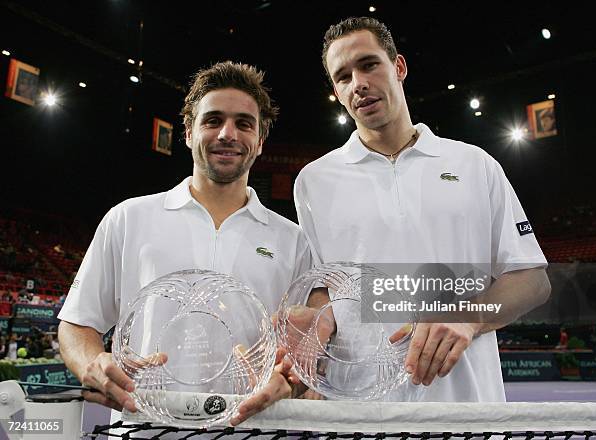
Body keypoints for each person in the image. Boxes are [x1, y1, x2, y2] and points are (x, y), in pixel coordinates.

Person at [292, 17, 551, 402]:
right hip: (359, 412)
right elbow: (323, 290)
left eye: (368, 64)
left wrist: (468, 318)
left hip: (465, 407)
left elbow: (533, 280)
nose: (358, 83)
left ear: (398, 67)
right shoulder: (313, 181)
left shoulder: (474, 164)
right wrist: (315, 336)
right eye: (343, 76)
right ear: (336, 90)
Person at [57, 61, 311, 423]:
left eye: (244, 123)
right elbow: (77, 324)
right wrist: (92, 364)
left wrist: (291, 379)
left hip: (253, 430)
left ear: (260, 142)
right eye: (213, 120)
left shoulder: (293, 240)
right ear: (189, 131)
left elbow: (303, 351)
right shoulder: (129, 218)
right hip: (143, 429)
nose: (228, 133)